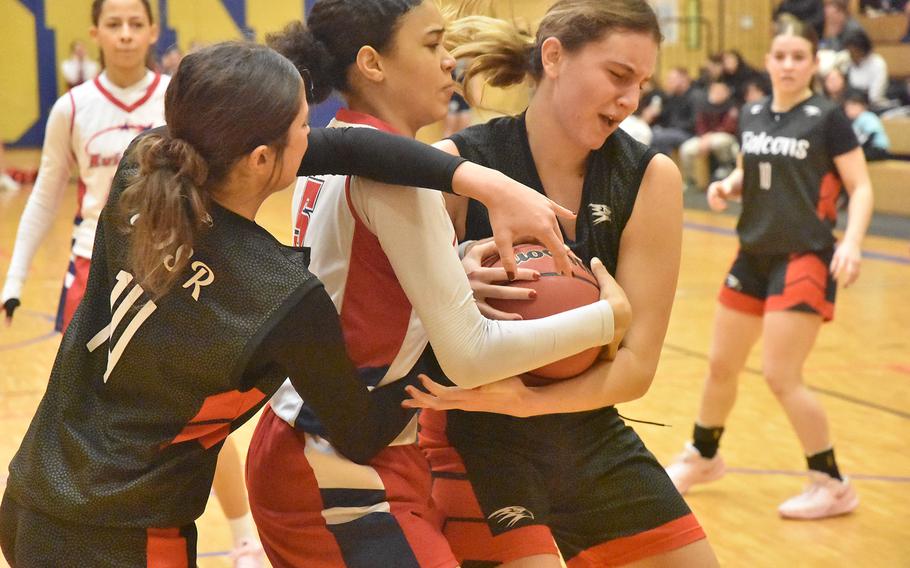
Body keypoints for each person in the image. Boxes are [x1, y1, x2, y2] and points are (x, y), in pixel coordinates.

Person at [0, 39, 587, 567]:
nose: (318, 135)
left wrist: (484, 183)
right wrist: (443, 315)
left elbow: (353, 151)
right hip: (124, 536)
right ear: (260, 160)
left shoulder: (146, 161)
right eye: (306, 126)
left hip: (30, 496)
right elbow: (362, 433)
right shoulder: (279, 295)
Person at [245, 3, 630, 567]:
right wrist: (606, 319)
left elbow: (353, 277)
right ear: (373, 63)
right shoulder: (398, 177)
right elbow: (470, 356)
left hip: (316, 440)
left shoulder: (338, 137)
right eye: (431, 45)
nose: (450, 59)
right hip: (336, 464)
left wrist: (453, 263)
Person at [404, 1, 718, 566]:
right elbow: (380, 324)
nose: (630, 99)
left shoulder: (649, 178)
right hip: (473, 433)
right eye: (618, 75)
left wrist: (526, 402)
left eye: (641, 83)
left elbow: (636, 366)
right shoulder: (454, 167)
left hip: (586, 431)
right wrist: (446, 286)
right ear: (554, 56)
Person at [665, 15, 874, 520]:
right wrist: (728, 186)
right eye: (779, 56)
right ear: (770, 60)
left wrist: (853, 242)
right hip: (752, 253)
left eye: (798, 57)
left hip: (804, 256)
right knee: (720, 365)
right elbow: (751, 168)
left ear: (813, 61)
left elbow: (861, 187)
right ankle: (704, 456)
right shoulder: (753, 112)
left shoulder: (828, 118)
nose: (787, 65)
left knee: (782, 375)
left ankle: (832, 482)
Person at [678, 80, 740, 190]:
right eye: (715, 90)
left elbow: (729, 127)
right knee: (686, 148)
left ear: (727, 92)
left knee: (719, 141)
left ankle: (726, 166)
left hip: (725, 137)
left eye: (721, 91)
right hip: (704, 137)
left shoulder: (732, 106)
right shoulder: (704, 105)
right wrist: (704, 137)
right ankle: (690, 179)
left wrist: (709, 137)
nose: (718, 93)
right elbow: (700, 124)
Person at [650, 66, 698, 156]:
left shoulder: (694, 96)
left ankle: (663, 166)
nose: (668, 82)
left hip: (688, 133)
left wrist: (672, 128)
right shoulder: (673, 96)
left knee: (659, 137)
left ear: (683, 79)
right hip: (672, 131)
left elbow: (694, 122)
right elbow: (665, 118)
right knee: (651, 132)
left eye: (672, 79)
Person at [842, 29, 890, 110]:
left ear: (863, 50)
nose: (851, 55)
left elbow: (875, 96)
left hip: (872, 106)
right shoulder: (846, 62)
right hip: (849, 105)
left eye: (854, 52)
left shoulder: (877, 64)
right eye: (849, 51)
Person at [844, 89, 891, 161]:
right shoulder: (854, 121)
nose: (848, 109)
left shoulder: (867, 116)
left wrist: (859, 149)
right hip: (868, 148)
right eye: (847, 107)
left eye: (853, 106)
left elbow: (871, 135)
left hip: (878, 149)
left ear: (863, 106)